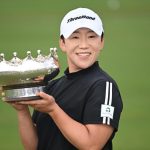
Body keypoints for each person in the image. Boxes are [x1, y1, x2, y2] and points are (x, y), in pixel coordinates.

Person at [9, 8, 123, 150]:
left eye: (91, 37)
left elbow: (92, 145)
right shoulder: (52, 86)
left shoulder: (103, 86)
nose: (84, 45)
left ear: (101, 41)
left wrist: (53, 110)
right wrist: (22, 111)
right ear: (62, 43)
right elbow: (34, 146)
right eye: (75, 37)